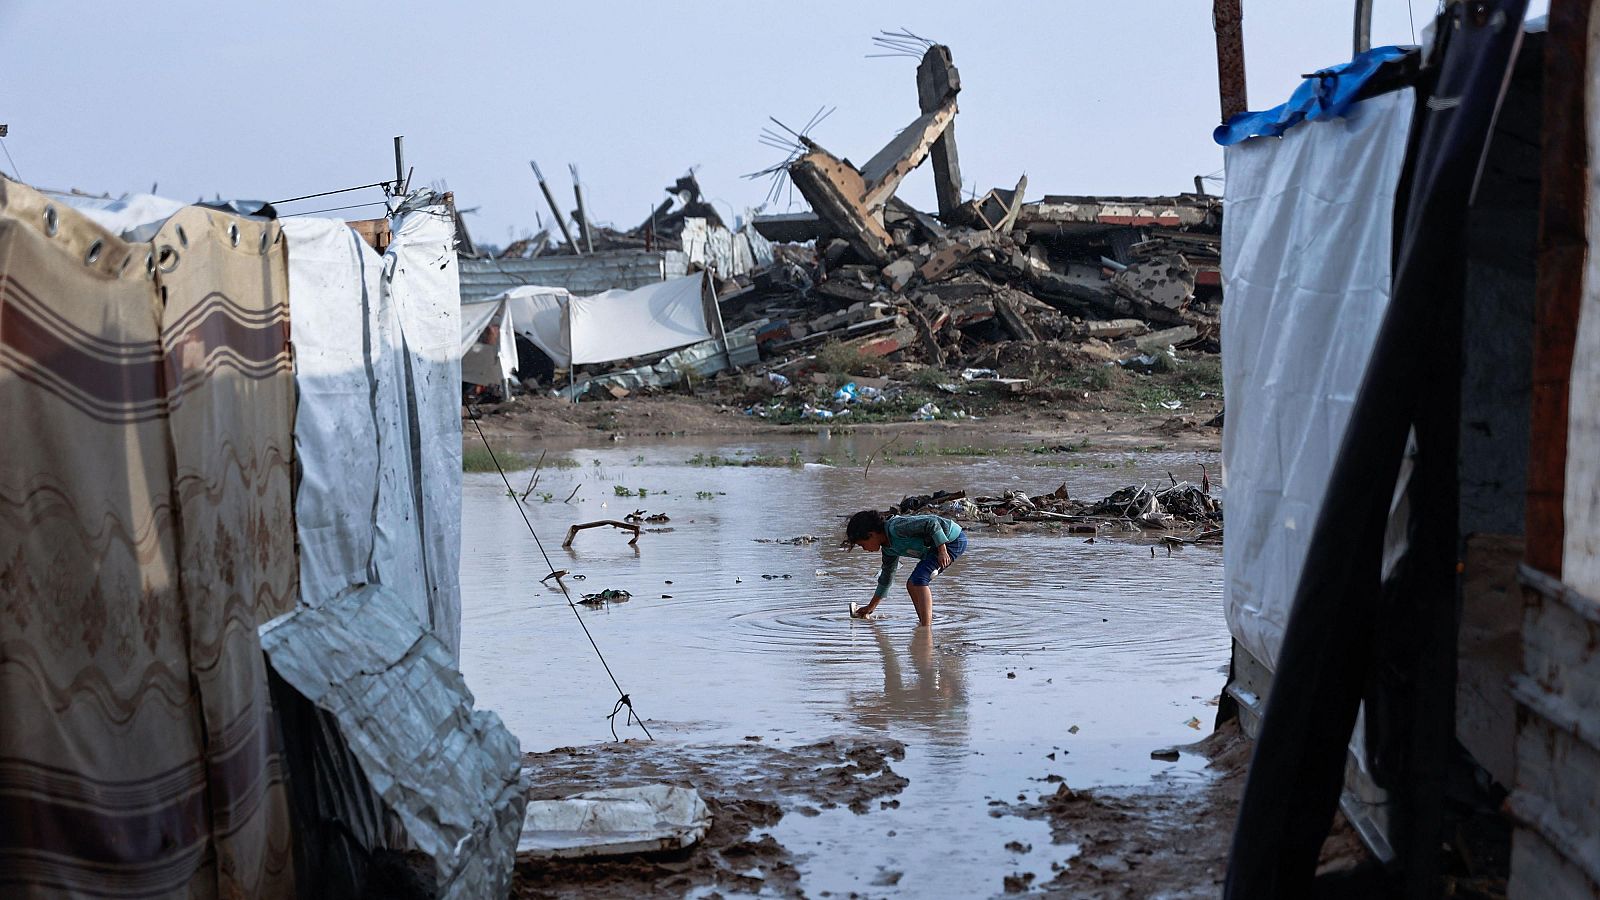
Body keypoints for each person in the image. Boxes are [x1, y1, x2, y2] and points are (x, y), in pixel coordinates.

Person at [842, 509, 967, 627]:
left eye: (862, 545)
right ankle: (923, 623)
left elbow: (932, 523)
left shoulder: (896, 528)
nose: (865, 549)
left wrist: (942, 551)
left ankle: (926, 629)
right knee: (911, 584)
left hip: (951, 541)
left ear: (871, 534)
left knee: (919, 579)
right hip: (935, 549)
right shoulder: (888, 549)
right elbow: (886, 578)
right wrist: (871, 607)